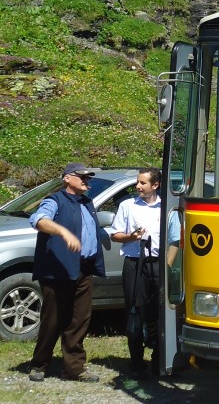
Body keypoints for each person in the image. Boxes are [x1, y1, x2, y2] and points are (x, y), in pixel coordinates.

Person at [28, 163, 105, 383]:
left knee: (79, 320)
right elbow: (39, 221)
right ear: (67, 178)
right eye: (82, 177)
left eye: (88, 178)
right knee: (53, 319)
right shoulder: (55, 201)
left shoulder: (87, 203)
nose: (86, 181)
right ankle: (39, 364)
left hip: (84, 269)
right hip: (58, 270)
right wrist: (62, 231)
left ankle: (74, 368)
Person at [107, 167, 163, 374]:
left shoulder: (164, 207)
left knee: (158, 312)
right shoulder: (127, 206)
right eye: (137, 183)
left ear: (155, 185)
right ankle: (136, 362)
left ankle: (158, 360)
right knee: (135, 311)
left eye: (143, 183)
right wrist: (132, 237)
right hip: (134, 262)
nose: (138, 186)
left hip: (158, 264)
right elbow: (115, 235)